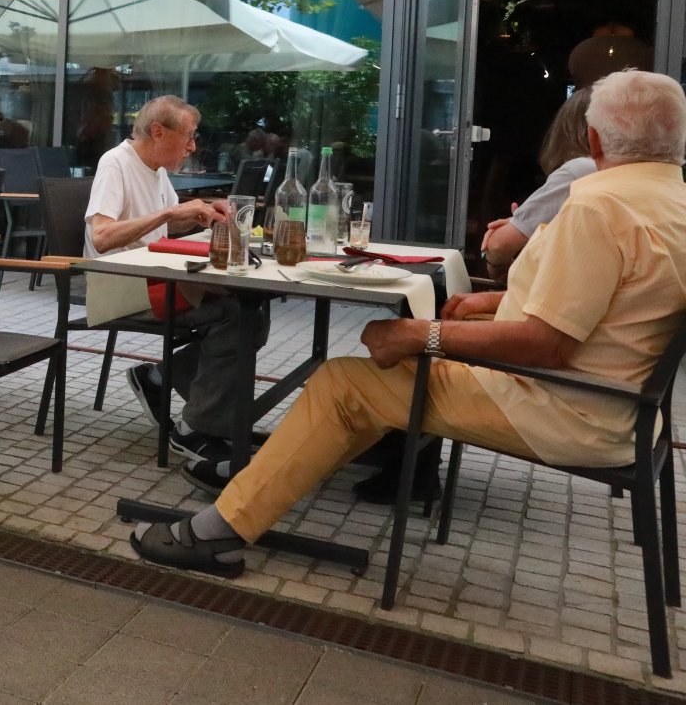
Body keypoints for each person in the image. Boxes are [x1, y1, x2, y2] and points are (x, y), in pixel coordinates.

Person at [129, 70, 686, 578]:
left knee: (344, 383)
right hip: (618, 409)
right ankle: (277, 470)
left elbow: (546, 345)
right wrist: (495, 304)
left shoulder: (597, 206)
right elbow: (609, 303)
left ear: (593, 140)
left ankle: (219, 530)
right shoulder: (670, 200)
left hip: (559, 407)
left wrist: (424, 335)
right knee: (370, 383)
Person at [87, 96, 262, 464]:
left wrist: (201, 213)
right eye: (189, 136)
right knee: (238, 316)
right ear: (158, 131)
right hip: (119, 286)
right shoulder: (115, 162)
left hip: (153, 278)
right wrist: (170, 212)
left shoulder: (156, 170)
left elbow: (164, 227)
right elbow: (101, 237)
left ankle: (159, 381)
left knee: (250, 313)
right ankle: (195, 428)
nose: (192, 147)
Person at [480, 87, 595, 279]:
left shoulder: (580, 169)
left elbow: (499, 245)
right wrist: (523, 222)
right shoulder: (624, 172)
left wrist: (494, 260)